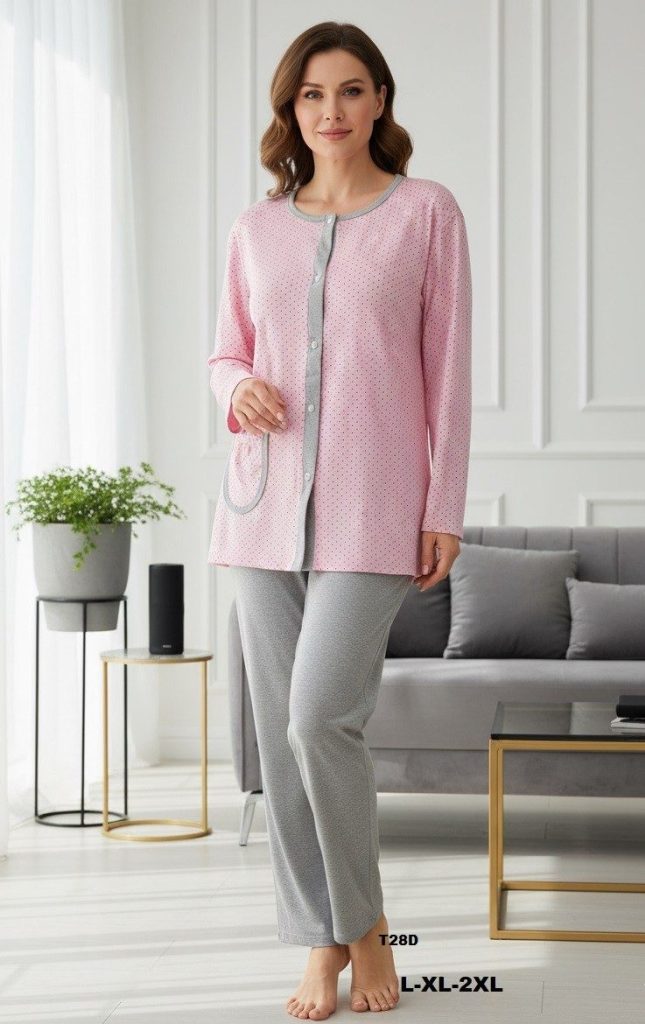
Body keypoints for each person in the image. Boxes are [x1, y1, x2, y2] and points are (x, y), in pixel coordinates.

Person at [206, 20, 472, 1020]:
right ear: (292, 109)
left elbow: (448, 373)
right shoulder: (256, 227)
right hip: (260, 508)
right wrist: (235, 389)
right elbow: (225, 351)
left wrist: (443, 506)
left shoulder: (426, 213)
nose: (332, 111)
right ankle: (326, 940)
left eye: (351, 91)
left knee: (320, 718)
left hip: (374, 508)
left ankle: (363, 928)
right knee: (282, 743)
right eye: (313, 95)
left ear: (379, 101)